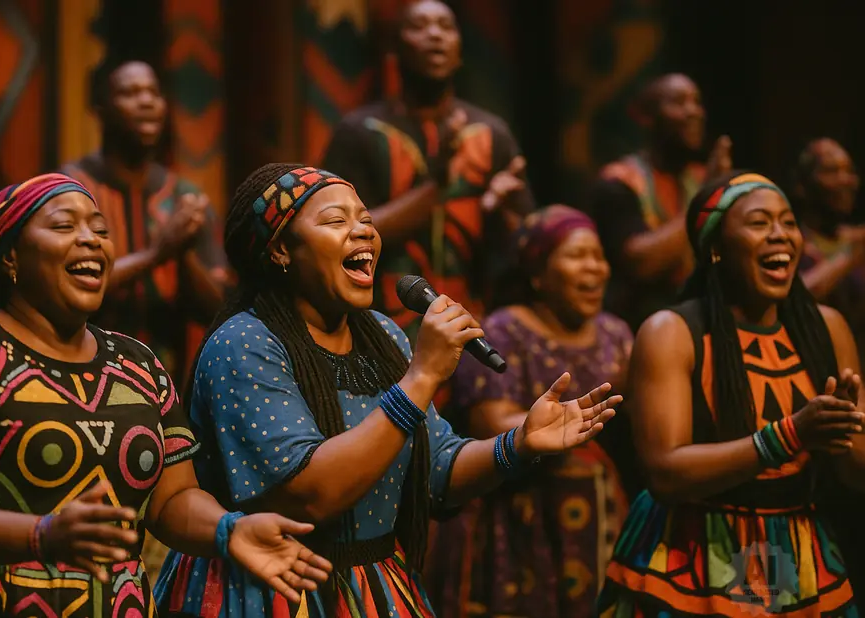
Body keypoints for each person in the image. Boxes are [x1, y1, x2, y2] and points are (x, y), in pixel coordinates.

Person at [154, 162, 621, 617]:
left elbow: (434, 472)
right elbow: (307, 493)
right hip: (268, 590)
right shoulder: (245, 342)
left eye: (366, 220)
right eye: (336, 221)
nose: (363, 232)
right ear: (279, 251)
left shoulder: (382, 335)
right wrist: (419, 380)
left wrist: (515, 445)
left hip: (372, 587)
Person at [0, 173, 331, 617]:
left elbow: (171, 501)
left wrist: (228, 530)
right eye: (63, 226)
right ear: (9, 257)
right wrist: (41, 535)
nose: (91, 240)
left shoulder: (137, 362)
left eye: (100, 230)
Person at [596, 171, 865, 616]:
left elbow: (855, 473)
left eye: (788, 222)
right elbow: (665, 474)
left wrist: (843, 439)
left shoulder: (827, 328)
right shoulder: (672, 333)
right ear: (716, 248)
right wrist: (790, 436)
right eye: (760, 223)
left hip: (795, 548)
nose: (780, 234)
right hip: (692, 545)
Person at [426, 206, 633, 618]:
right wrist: (549, 428)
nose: (595, 267)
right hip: (517, 514)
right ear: (538, 274)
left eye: (598, 255)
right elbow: (488, 421)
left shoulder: (616, 333)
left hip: (596, 509)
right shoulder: (503, 330)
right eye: (577, 256)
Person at [322, 0, 534, 343]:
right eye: (419, 26)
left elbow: (530, 247)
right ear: (395, 49)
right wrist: (438, 182)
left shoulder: (491, 133)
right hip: (379, 325)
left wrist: (504, 211)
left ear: (459, 51)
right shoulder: (360, 131)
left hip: (474, 320)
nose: (435, 35)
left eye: (446, 27)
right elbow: (345, 237)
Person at [61, 59, 228, 385]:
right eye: (130, 92)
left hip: (167, 385)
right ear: (100, 108)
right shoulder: (70, 189)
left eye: (153, 92)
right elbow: (60, 291)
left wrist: (182, 254)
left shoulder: (184, 196)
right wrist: (156, 255)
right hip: (80, 378)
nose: (147, 101)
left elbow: (218, 309)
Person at [590, 73, 732, 331]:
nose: (693, 112)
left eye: (696, 102)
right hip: (640, 329)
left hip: (704, 325)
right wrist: (706, 196)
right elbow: (642, 265)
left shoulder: (700, 177)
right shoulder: (619, 181)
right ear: (647, 117)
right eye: (678, 102)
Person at [794, 138, 865, 357]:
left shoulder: (856, 239)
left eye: (849, 171)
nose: (845, 180)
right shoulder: (793, 242)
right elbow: (795, 299)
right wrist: (848, 257)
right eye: (831, 171)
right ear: (802, 186)